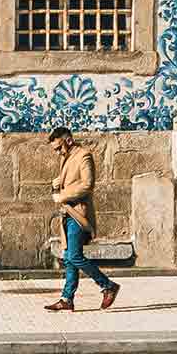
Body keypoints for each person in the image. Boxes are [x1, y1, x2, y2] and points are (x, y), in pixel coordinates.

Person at [44, 127, 120, 312]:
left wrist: (62, 196)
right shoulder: (66, 156)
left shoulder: (84, 155)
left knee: (74, 256)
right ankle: (67, 299)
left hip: (79, 213)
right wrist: (58, 181)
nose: (57, 152)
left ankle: (108, 285)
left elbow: (87, 184)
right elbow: (72, 178)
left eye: (58, 147)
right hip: (67, 213)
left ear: (68, 140)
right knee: (69, 258)